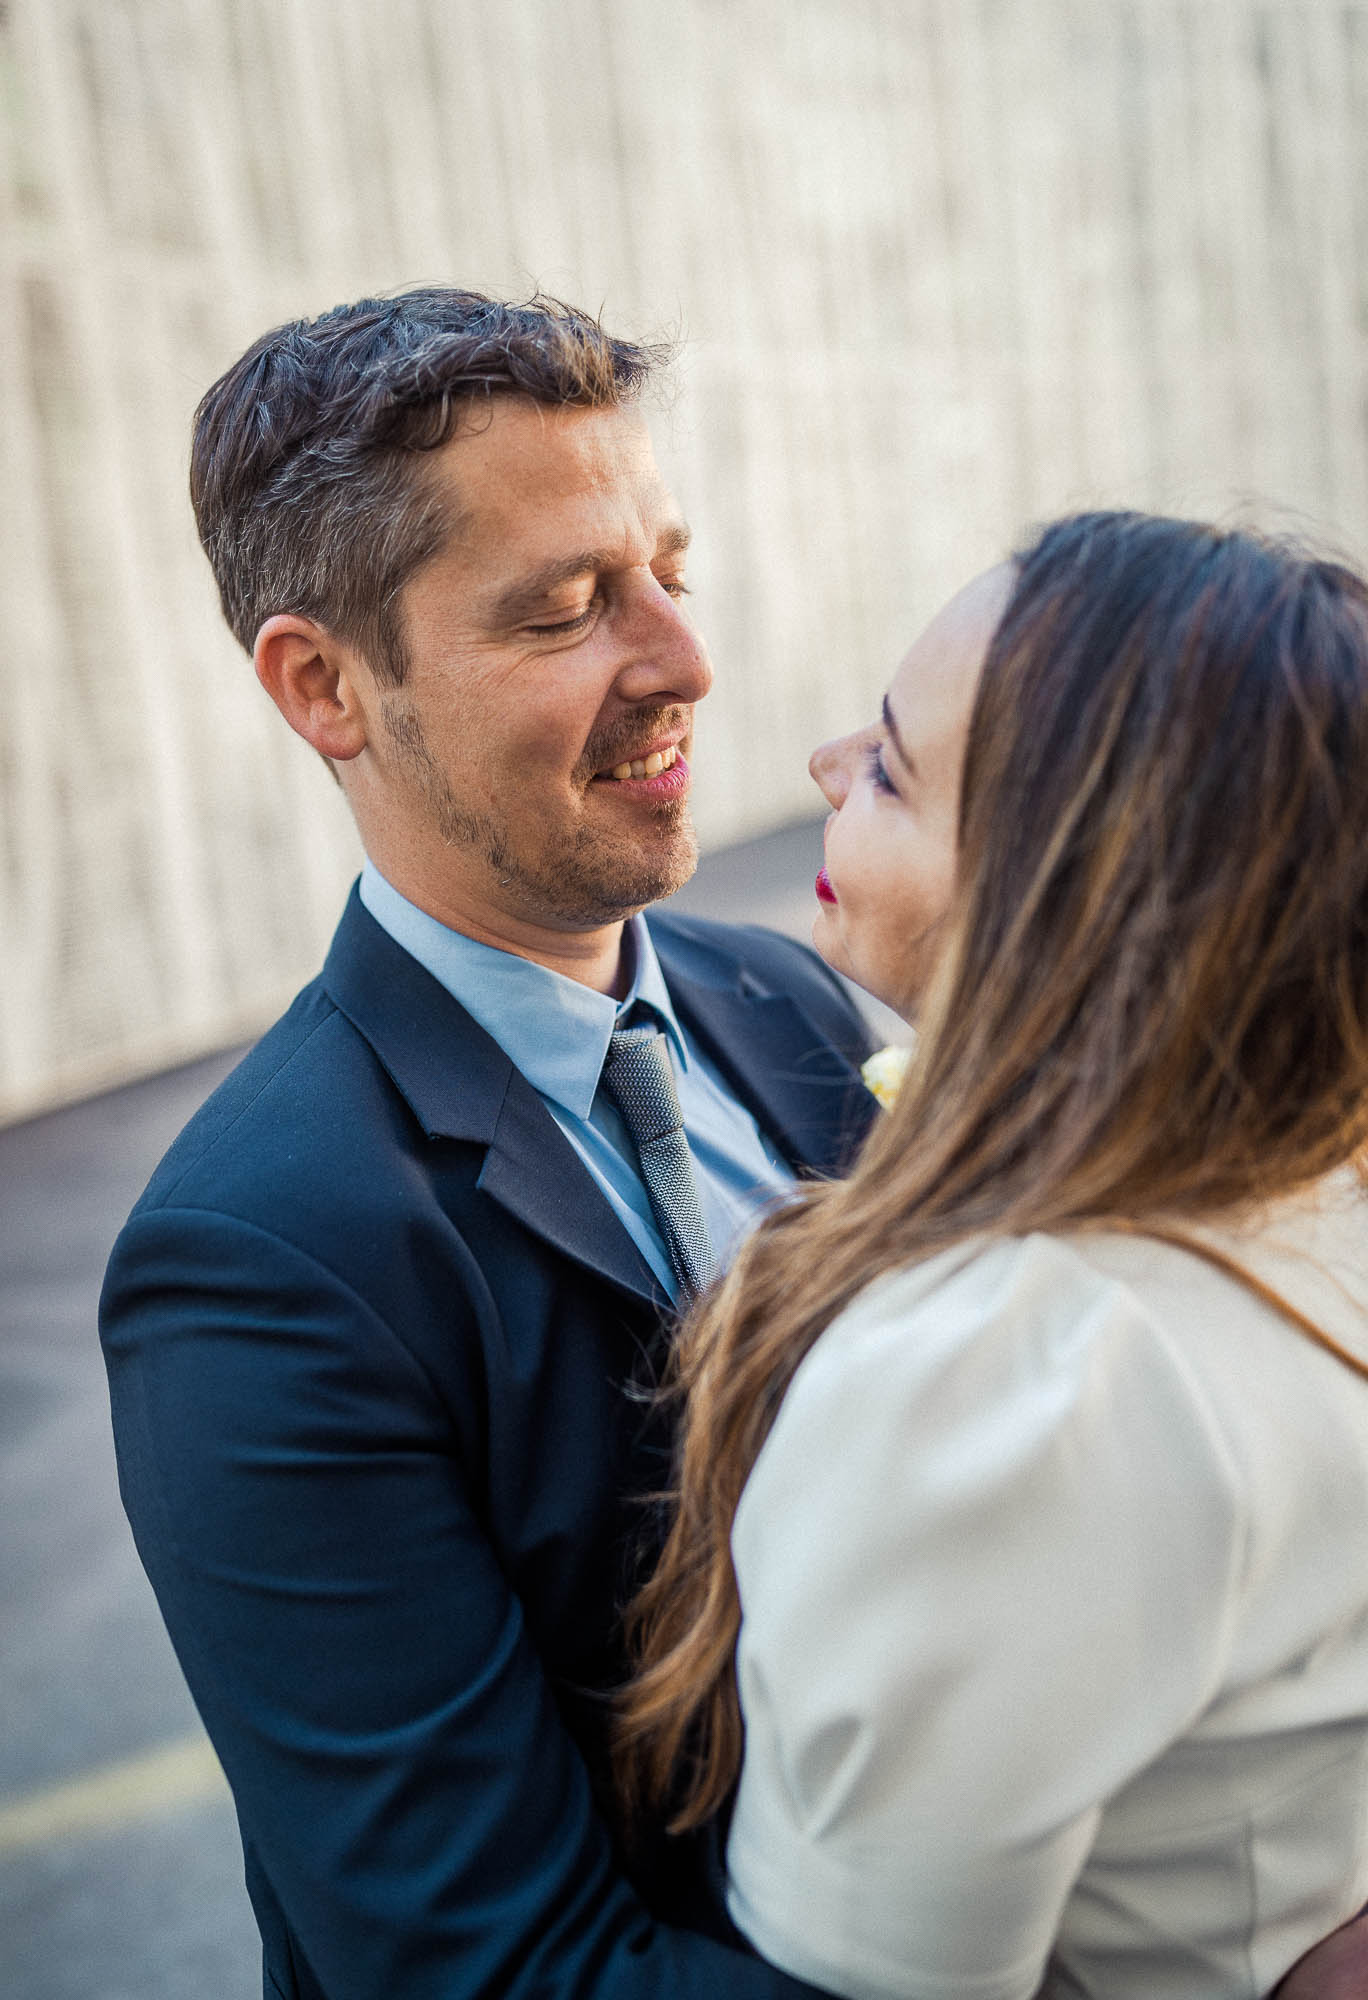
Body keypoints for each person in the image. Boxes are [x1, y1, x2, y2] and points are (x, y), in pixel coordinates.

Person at [98, 288, 878, 1999]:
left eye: (669, 568)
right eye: (569, 609)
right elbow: (502, 1972)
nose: (683, 658)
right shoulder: (259, 1260)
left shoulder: (800, 1017)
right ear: (324, 687)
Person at [618, 512, 1368, 1998]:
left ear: (1062, 901)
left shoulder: (1018, 1375)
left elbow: (866, 1979)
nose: (830, 763)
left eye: (893, 769)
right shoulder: (1313, 1171)